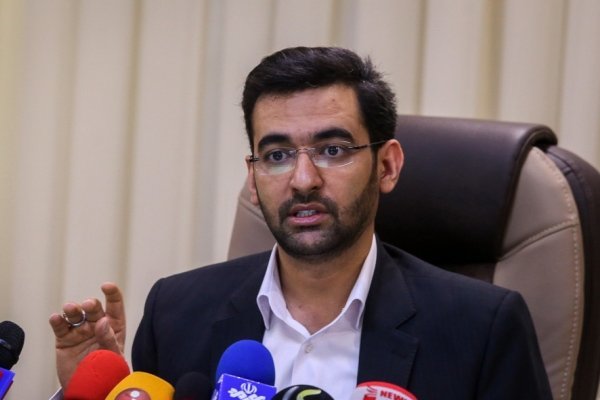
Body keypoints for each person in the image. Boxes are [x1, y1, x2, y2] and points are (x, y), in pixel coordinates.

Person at [50, 46, 552, 399]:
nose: (303, 180)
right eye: (277, 155)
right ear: (252, 177)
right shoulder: (177, 312)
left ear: (387, 166)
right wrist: (92, 391)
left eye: (332, 150)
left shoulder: (482, 328)